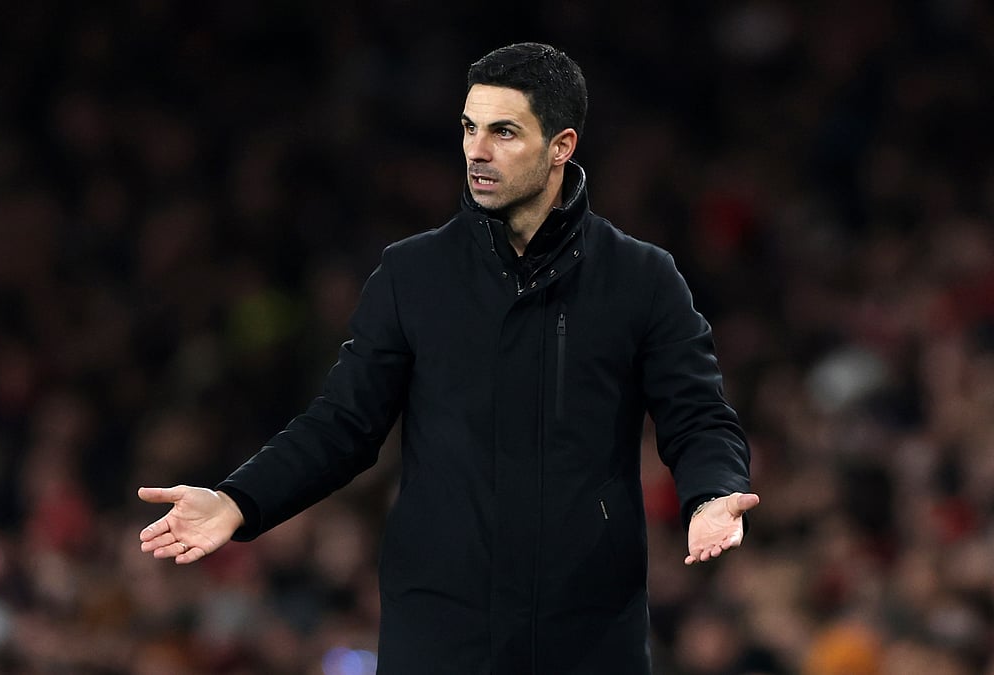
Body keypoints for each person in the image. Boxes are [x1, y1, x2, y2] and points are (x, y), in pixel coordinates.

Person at [138, 42, 760, 674]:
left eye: (503, 132)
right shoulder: (412, 274)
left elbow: (699, 417)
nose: (475, 150)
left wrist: (712, 493)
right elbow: (342, 426)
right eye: (469, 128)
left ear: (561, 146)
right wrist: (239, 501)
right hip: (441, 632)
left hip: (588, 633)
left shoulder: (642, 278)